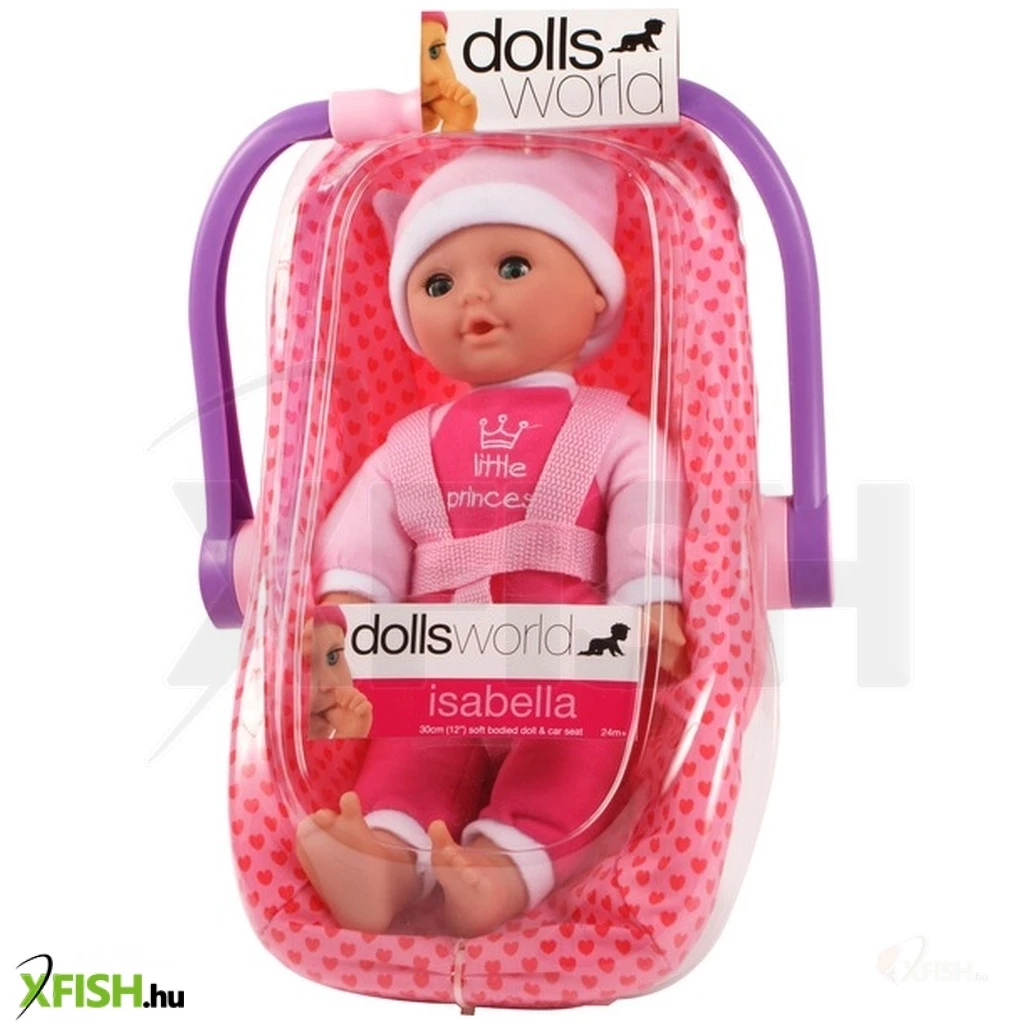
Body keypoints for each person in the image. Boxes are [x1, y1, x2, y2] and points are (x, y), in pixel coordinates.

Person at [296, 147, 686, 937]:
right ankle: (385, 856)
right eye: (438, 284)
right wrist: (350, 602)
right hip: (434, 671)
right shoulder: (410, 443)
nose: (473, 296)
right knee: (407, 760)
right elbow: (367, 523)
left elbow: (649, 498)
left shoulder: (615, 431)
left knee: (573, 768)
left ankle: (503, 870)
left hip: (570, 674)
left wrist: (649, 598)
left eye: (512, 267)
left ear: (595, 292)